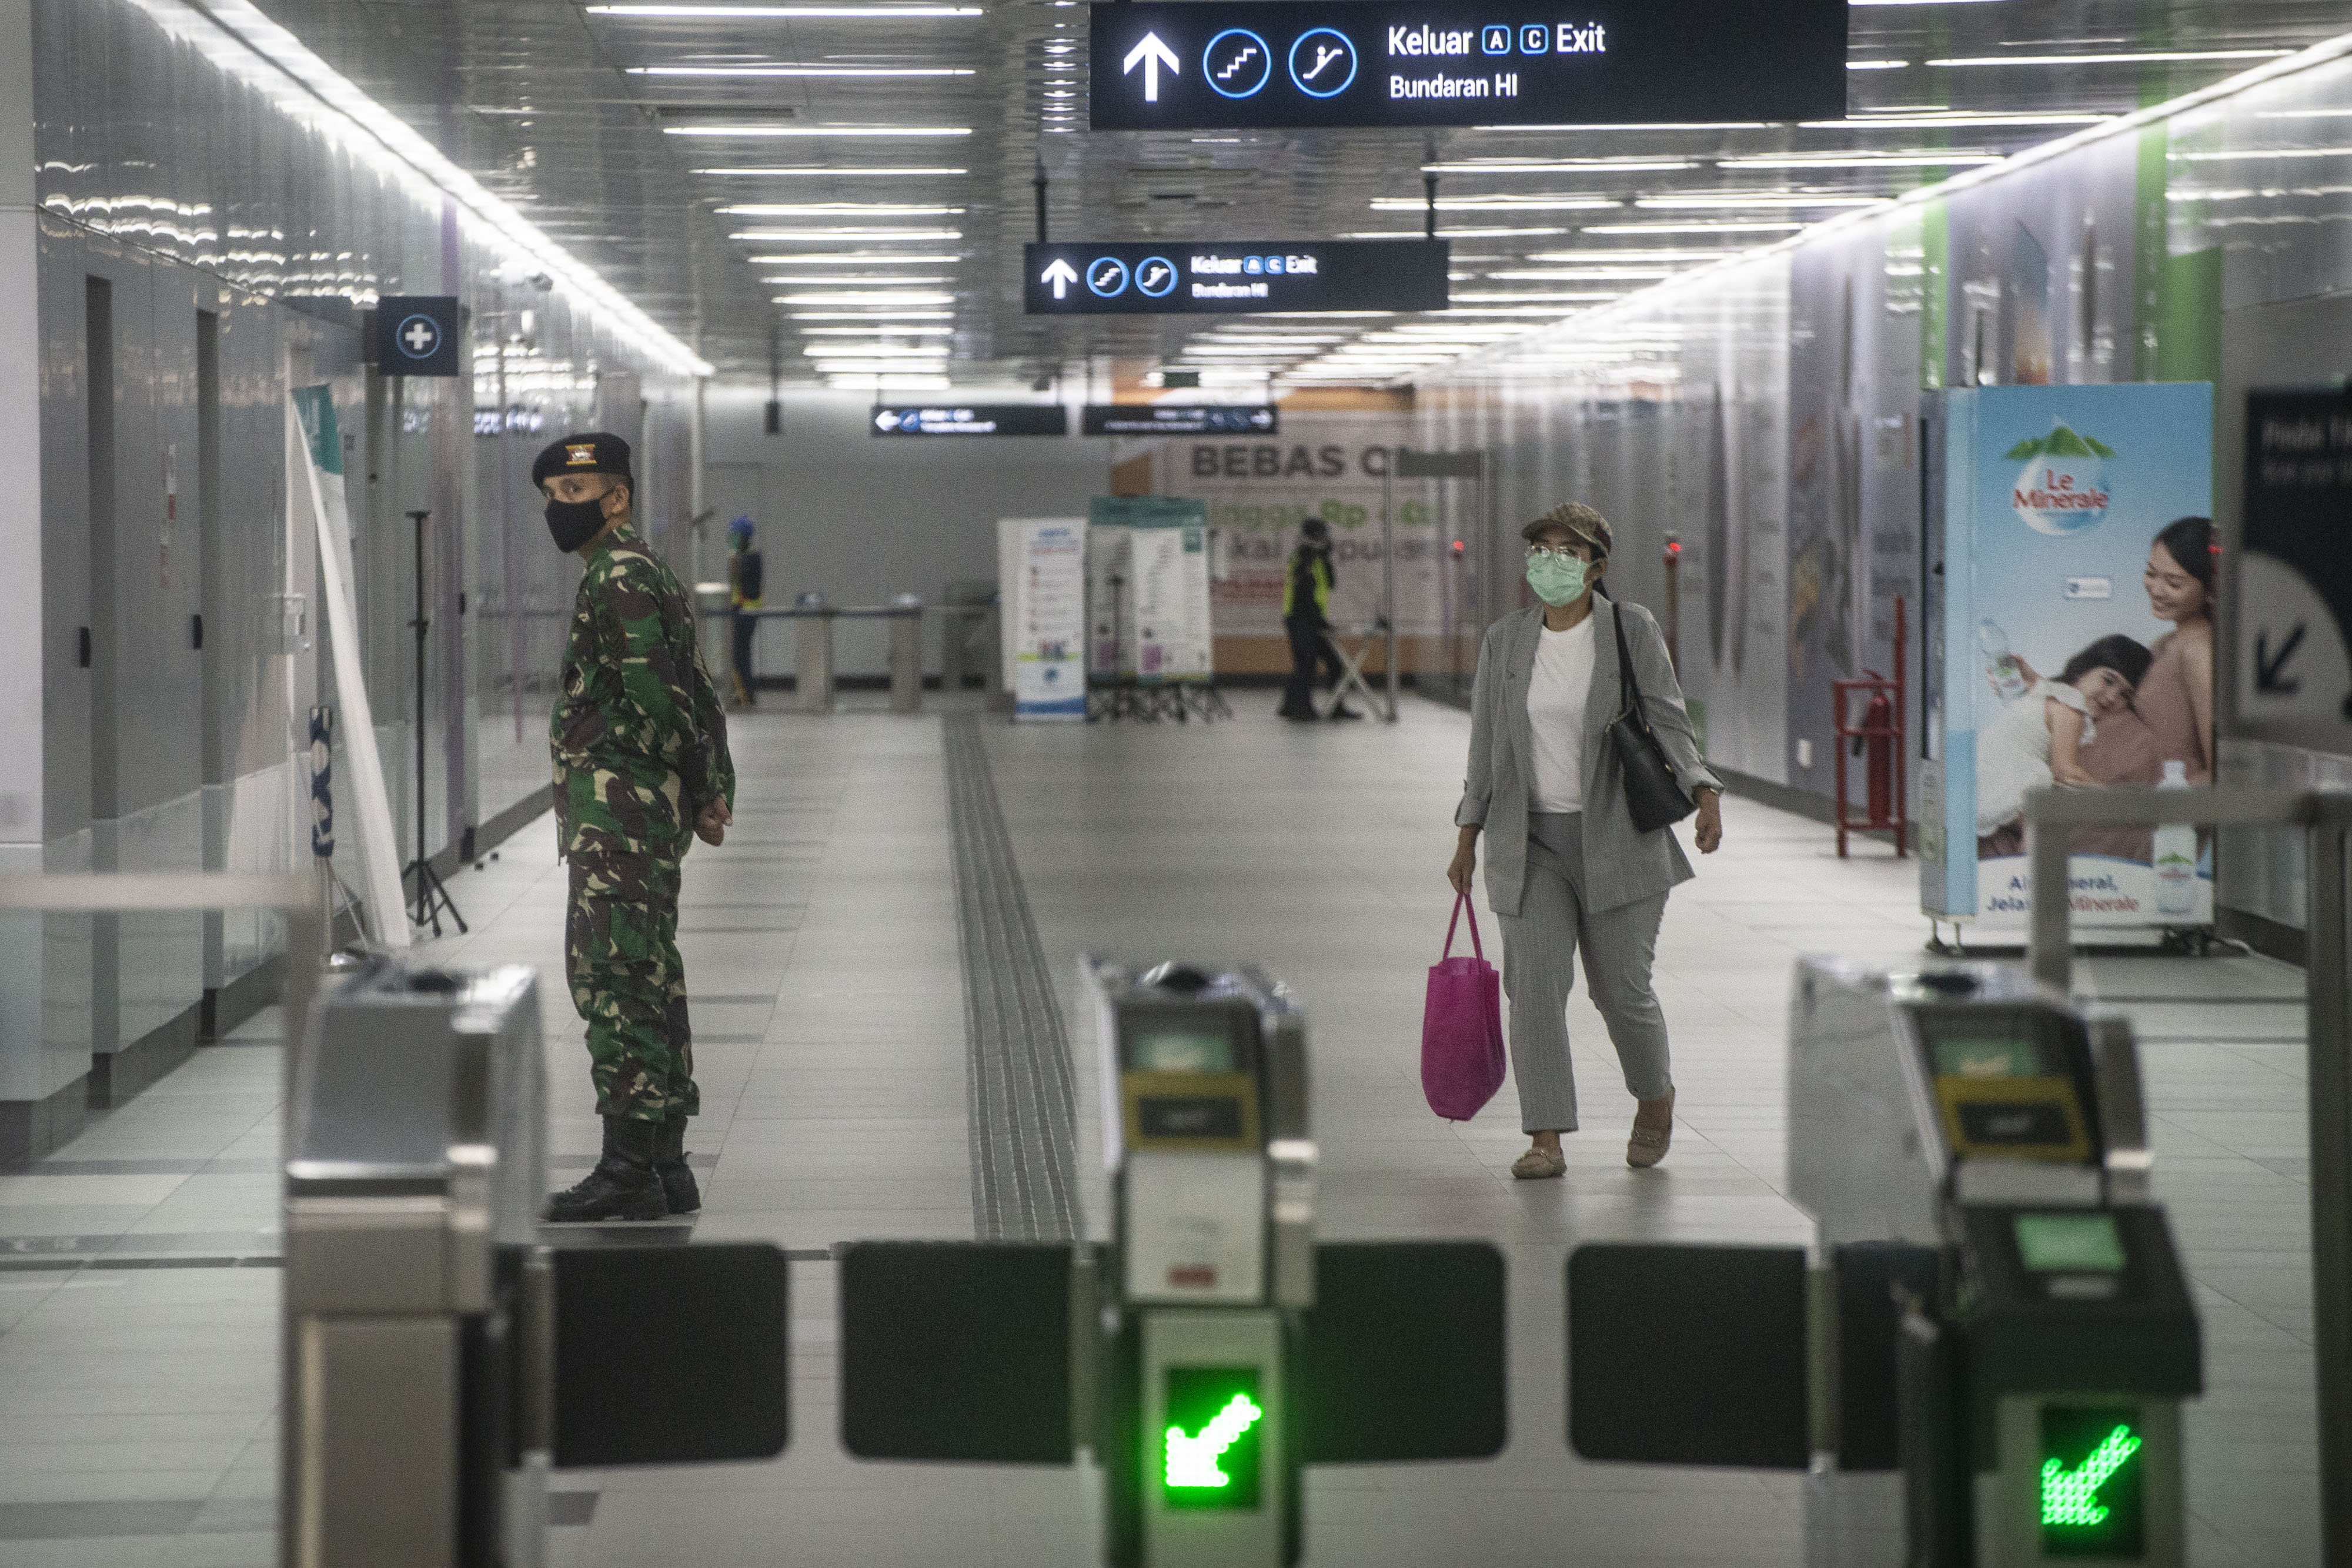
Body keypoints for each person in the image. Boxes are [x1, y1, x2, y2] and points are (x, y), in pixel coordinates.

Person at [1446, 502, 1724, 1178]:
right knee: (1534, 987)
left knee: (1620, 992)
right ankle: (1545, 1137)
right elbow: (1485, 745)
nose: (1549, 561)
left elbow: (1666, 717)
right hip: (1527, 841)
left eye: (1567, 551)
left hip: (1619, 837)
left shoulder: (1629, 630)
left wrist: (1703, 790)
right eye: (1540, 548)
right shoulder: (1504, 641)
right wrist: (1466, 832)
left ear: (1596, 565)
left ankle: (1653, 1100)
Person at [534, 432, 736, 1222]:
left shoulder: (618, 575)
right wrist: (706, 785)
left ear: (616, 496)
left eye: (576, 492)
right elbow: (701, 692)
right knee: (650, 977)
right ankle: (665, 1163)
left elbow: (661, 700)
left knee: (614, 980)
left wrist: (692, 782)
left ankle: (628, 1167)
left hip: (619, 812)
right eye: (552, 493)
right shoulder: (644, 571)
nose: (561, 506)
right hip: (637, 809)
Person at [1975, 634, 2152, 858]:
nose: (2111, 697)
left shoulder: (2052, 692)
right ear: (2084, 669)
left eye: (2125, 695)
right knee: (2045, 821)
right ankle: (2029, 883)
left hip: (1983, 772)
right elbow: (2066, 773)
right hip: (2002, 777)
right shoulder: (2071, 707)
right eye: (2108, 680)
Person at [1278, 519, 1360, 721]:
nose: (1324, 539)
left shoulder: (1318, 559)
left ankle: (1332, 705)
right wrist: (1319, 621)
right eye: (1320, 535)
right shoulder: (1303, 558)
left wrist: (1326, 558)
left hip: (1314, 619)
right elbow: (1303, 594)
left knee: (1333, 661)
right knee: (1307, 662)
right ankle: (1300, 707)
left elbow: (1331, 584)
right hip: (1300, 619)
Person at [726, 515, 764, 710]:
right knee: (738, 652)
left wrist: (733, 552)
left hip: (748, 610)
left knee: (741, 653)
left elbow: (735, 572)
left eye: (736, 537)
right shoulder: (744, 555)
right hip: (738, 609)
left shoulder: (752, 556)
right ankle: (741, 691)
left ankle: (747, 693)